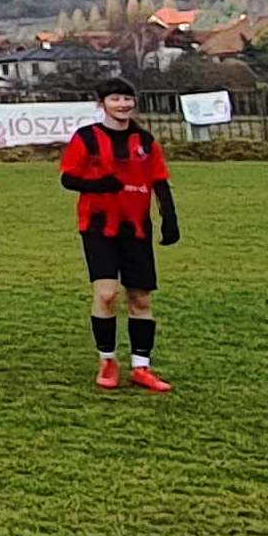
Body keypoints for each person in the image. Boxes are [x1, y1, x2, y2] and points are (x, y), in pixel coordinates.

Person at [59, 77, 178, 392]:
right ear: (102, 104)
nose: (122, 104)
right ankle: (107, 360)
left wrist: (169, 219)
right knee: (108, 294)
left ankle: (142, 367)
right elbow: (68, 179)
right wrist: (100, 185)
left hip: (136, 226)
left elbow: (160, 181)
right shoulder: (87, 138)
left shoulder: (145, 140)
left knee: (140, 297)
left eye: (127, 98)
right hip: (98, 226)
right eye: (115, 99)